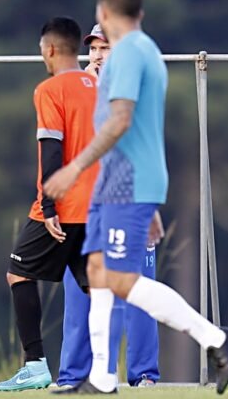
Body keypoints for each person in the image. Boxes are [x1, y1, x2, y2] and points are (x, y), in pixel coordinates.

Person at [44, 0, 228, 395]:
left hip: (126, 181)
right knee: (97, 271)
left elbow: (122, 120)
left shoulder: (131, 51)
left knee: (117, 277)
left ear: (102, 14)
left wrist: (73, 168)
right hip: (116, 182)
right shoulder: (139, 49)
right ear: (141, 14)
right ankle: (99, 379)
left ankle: (214, 338)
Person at [0, 17, 98, 391]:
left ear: (51, 49)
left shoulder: (49, 90)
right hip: (97, 205)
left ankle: (35, 365)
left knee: (18, 273)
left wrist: (50, 206)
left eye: (41, 49)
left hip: (63, 205)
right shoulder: (98, 86)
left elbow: (52, 150)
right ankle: (102, 373)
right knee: (100, 287)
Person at [57, 24, 161, 389]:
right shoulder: (72, 90)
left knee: (138, 291)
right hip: (83, 209)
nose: (100, 55)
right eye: (95, 49)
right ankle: (75, 376)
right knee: (80, 295)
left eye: (108, 48)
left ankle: (144, 375)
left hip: (129, 202)